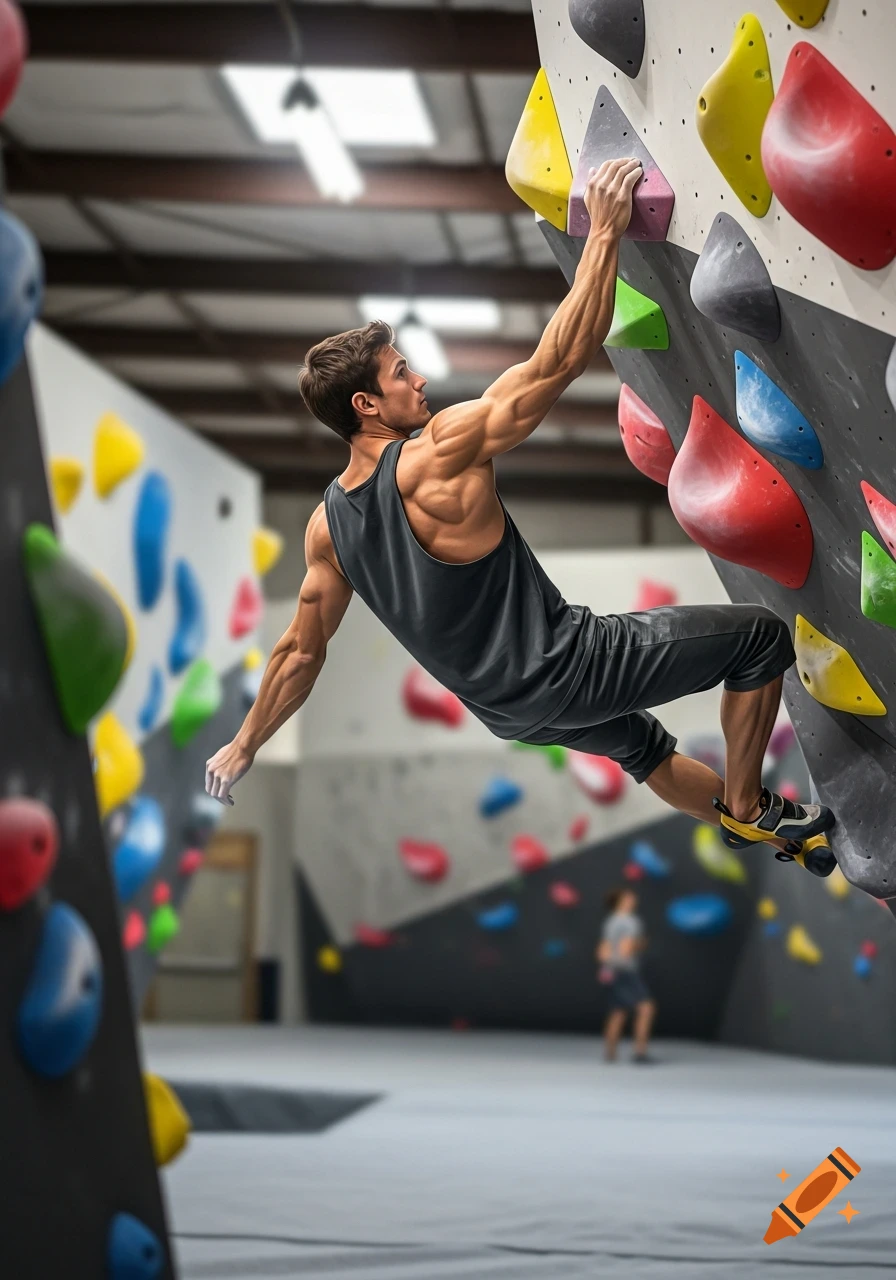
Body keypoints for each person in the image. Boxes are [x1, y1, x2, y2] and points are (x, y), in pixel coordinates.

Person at [204, 157, 835, 875]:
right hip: (570, 666)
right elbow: (556, 362)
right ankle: (749, 809)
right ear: (366, 405)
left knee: (644, 751)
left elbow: (298, 652)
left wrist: (245, 744)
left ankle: (783, 837)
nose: (420, 379)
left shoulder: (327, 529)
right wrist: (605, 232)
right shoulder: (436, 453)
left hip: (510, 713)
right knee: (758, 639)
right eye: (402, 373)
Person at [597, 888, 656, 1063]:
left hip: (611, 970)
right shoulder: (630, 922)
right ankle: (640, 1053)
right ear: (621, 901)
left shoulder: (610, 921)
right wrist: (641, 944)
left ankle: (610, 1054)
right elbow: (626, 950)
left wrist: (607, 967)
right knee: (646, 1008)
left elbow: (602, 952)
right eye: (629, 897)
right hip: (624, 971)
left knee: (618, 1011)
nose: (634, 898)